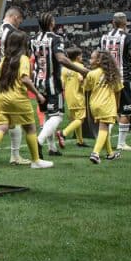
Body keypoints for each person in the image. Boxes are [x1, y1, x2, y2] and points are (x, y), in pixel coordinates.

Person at [0, 30, 53, 170]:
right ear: (23, 44)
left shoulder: (5, 59)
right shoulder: (23, 59)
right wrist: (38, 94)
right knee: (30, 128)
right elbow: (24, 78)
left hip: (2, 97)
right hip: (18, 98)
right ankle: (36, 161)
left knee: (1, 127)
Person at [32, 13, 89, 157]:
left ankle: (52, 148)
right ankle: (38, 141)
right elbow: (61, 59)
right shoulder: (56, 38)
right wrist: (82, 70)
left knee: (47, 115)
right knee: (57, 116)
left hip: (38, 82)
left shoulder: (33, 39)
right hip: (52, 82)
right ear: (52, 23)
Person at [99, 12, 131, 152]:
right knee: (125, 111)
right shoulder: (128, 37)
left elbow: (101, 57)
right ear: (125, 23)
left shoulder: (103, 38)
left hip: (107, 79)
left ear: (112, 23)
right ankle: (121, 143)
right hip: (124, 79)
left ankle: (104, 140)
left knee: (110, 111)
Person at [0, 6, 31, 167]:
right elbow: (12, 56)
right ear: (15, 17)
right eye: (20, 19)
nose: (20, 23)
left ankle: (13, 155)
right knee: (10, 118)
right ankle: (12, 155)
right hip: (5, 77)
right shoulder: (11, 32)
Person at [84, 50, 123, 164]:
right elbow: (118, 91)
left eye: (92, 58)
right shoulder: (112, 74)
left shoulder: (91, 74)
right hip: (107, 104)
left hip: (94, 104)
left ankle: (110, 154)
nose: (90, 60)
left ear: (98, 61)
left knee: (103, 128)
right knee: (104, 128)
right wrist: (117, 105)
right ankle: (95, 153)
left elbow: (87, 89)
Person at [59, 47, 88, 148]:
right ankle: (63, 133)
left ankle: (80, 141)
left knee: (76, 119)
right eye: (81, 55)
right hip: (78, 96)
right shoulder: (79, 66)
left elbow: (62, 84)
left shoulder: (64, 68)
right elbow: (81, 79)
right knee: (80, 119)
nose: (82, 57)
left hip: (69, 97)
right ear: (77, 57)